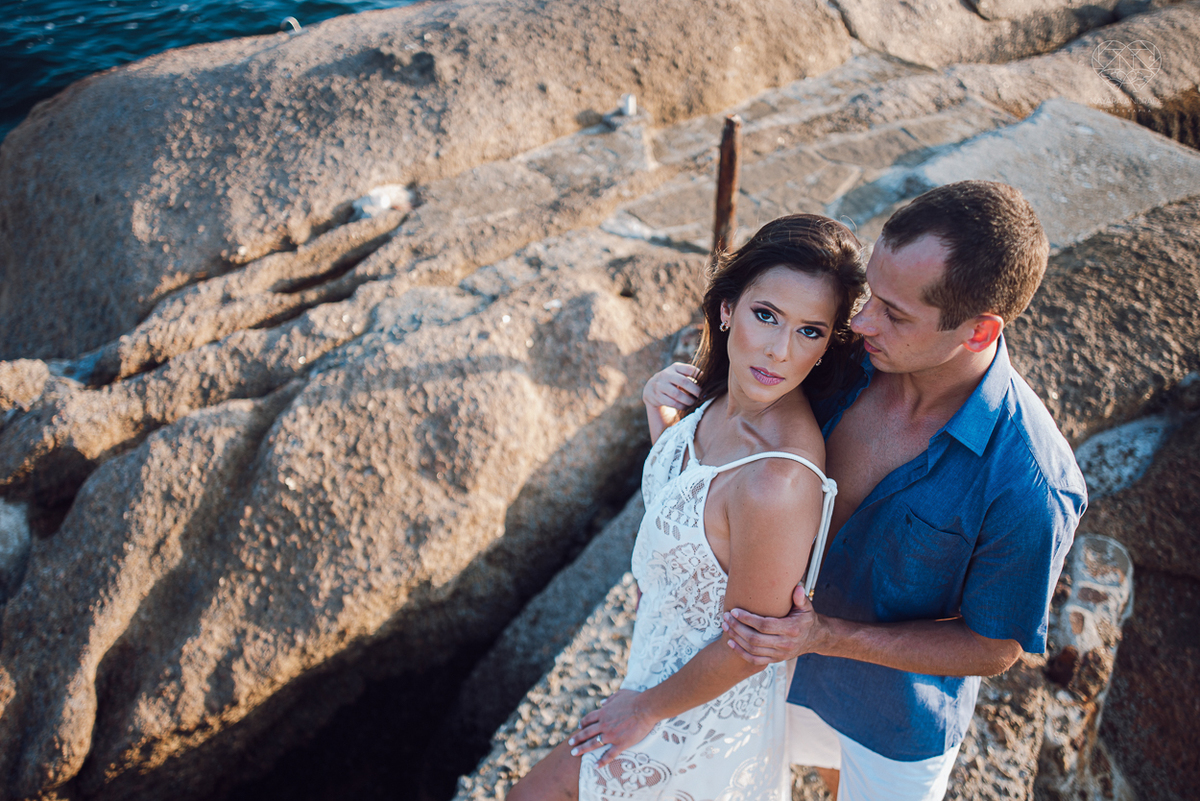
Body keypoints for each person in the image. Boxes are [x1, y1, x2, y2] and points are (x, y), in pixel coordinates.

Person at [648, 180, 1085, 800]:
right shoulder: (842, 353)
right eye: (872, 294)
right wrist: (673, 410)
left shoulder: (1030, 481)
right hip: (762, 674)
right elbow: (731, 434)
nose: (861, 320)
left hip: (890, 724)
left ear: (980, 332)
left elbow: (995, 647)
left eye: (894, 312)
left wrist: (827, 636)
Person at [507, 214, 868, 800]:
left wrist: (646, 709)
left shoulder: (777, 480)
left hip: (698, 712)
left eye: (810, 332)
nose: (778, 351)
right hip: (655, 668)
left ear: (828, 346)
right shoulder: (722, 400)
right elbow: (697, 511)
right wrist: (666, 426)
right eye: (766, 315)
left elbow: (749, 647)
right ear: (727, 308)